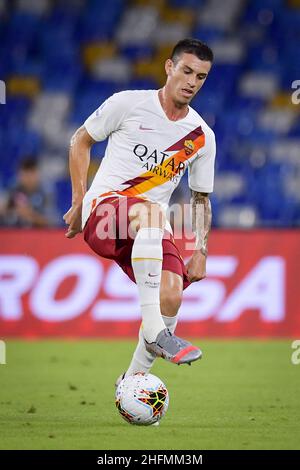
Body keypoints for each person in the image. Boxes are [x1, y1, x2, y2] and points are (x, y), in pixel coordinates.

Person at [63, 38, 216, 379]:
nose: (192, 82)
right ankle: (153, 331)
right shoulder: (129, 104)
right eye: (187, 71)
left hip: (148, 230)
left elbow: (201, 198)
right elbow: (81, 140)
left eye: (201, 76)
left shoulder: (202, 136)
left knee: (172, 296)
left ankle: (133, 381)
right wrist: (78, 201)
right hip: (105, 211)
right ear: (169, 67)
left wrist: (202, 250)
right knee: (150, 212)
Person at [2, 157, 55, 228]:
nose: (29, 178)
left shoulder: (46, 191)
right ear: (19, 174)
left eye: (32, 173)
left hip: (38, 234)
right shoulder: (13, 188)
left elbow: (51, 222)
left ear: (38, 173)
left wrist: (30, 215)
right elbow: (4, 210)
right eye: (25, 174)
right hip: (15, 231)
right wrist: (10, 210)